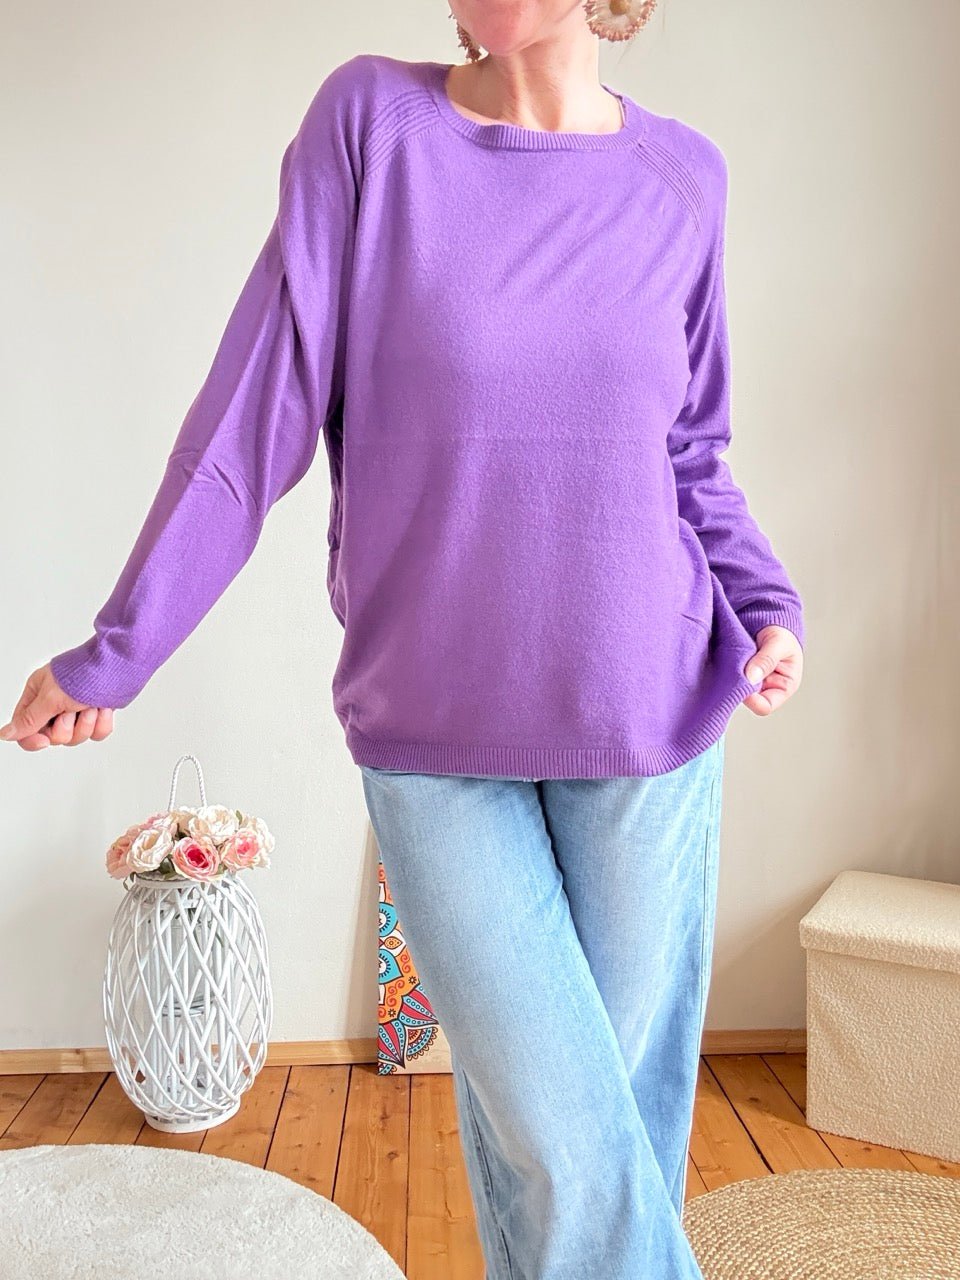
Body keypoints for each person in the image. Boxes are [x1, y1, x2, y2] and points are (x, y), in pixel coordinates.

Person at [1, 2, 805, 1275]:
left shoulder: (682, 178)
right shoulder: (374, 126)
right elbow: (252, 412)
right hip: (436, 736)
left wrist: (764, 604)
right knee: (574, 1153)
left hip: (653, 727)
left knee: (598, 1153)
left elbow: (694, 452)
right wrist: (121, 646)